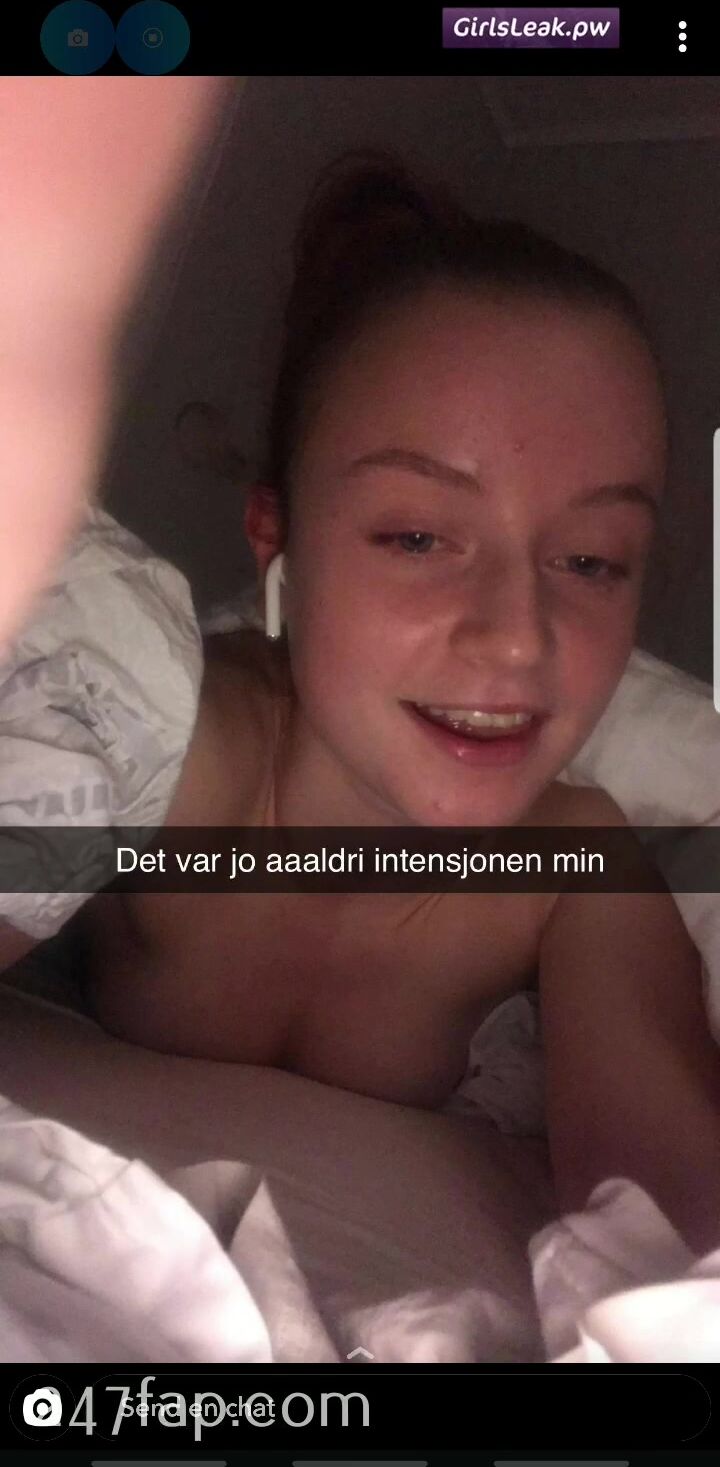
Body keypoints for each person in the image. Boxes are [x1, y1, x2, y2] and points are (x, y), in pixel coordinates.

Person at [2, 122, 719, 1256]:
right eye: (419, 536)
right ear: (278, 542)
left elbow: (681, 1236)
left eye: (590, 561)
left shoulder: (578, 868)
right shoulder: (145, 744)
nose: (516, 639)